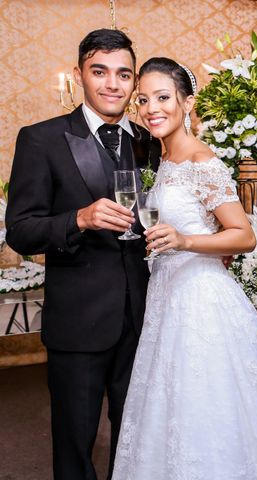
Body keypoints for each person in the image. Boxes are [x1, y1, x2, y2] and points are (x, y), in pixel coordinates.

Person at [111, 57, 257, 479]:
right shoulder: (166, 158)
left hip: (200, 299)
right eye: (143, 99)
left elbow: (244, 235)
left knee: (206, 397)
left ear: (187, 103)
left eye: (163, 97)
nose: (151, 107)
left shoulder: (201, 160)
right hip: (168, 295)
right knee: (170, 399)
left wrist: (186, 241)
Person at [5, 30, 160, 479]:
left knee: (136, 432)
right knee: (74, 440)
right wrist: (79, 219)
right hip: (79, 321)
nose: (113, 84)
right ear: (79, 76)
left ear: (133, 82)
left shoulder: (149, 140)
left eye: (123, 74)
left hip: (145, 316)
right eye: (99, 72)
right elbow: (21, 231)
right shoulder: (41, 139)